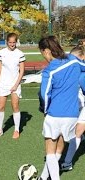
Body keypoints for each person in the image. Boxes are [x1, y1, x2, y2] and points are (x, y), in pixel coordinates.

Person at [38, 36, 85, 180]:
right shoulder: (74, 60)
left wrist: (45, 110)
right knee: (59, 146)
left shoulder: (49, 71)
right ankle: (43, 177)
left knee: (50, 152)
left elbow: (44, 95)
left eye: (42, 52)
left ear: (46, 51)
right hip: (72, 115)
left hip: (55, 115)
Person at [0, 33, 25, 139]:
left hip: (15, 85)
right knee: (0, 107)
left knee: (15, 106)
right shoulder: (1, 53)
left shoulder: (20, 53)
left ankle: (16, 129)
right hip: (3, 84)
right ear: (7, 42)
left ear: (16, 42)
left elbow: (22, 71)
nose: (12, 44)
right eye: (10, 42)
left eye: (14, 42)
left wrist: (16, 85)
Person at [60, 44, 85, 171]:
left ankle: (68, 163)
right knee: (77, 132)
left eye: (74, 60)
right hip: (78, 107)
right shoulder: (75, 71)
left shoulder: (82, 75)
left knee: (77, 133)